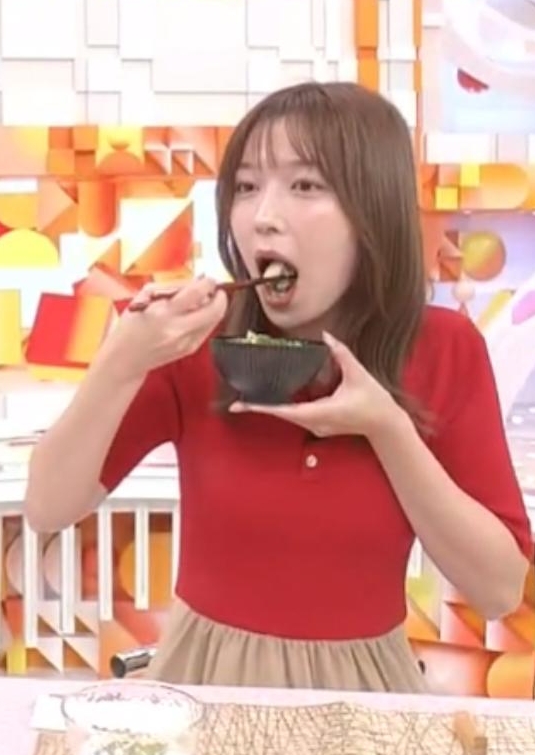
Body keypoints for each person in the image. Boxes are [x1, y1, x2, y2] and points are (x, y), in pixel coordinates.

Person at [24, 82, 532, 693]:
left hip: (365, 693)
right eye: (245, 187)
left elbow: (498, 589)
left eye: (305, 185)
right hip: (203, 682)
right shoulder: (192, 341)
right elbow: (48, 506)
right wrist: (120, 361)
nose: (262, 216)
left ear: (374, 210)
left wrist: (388, 429)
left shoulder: (444, 347)